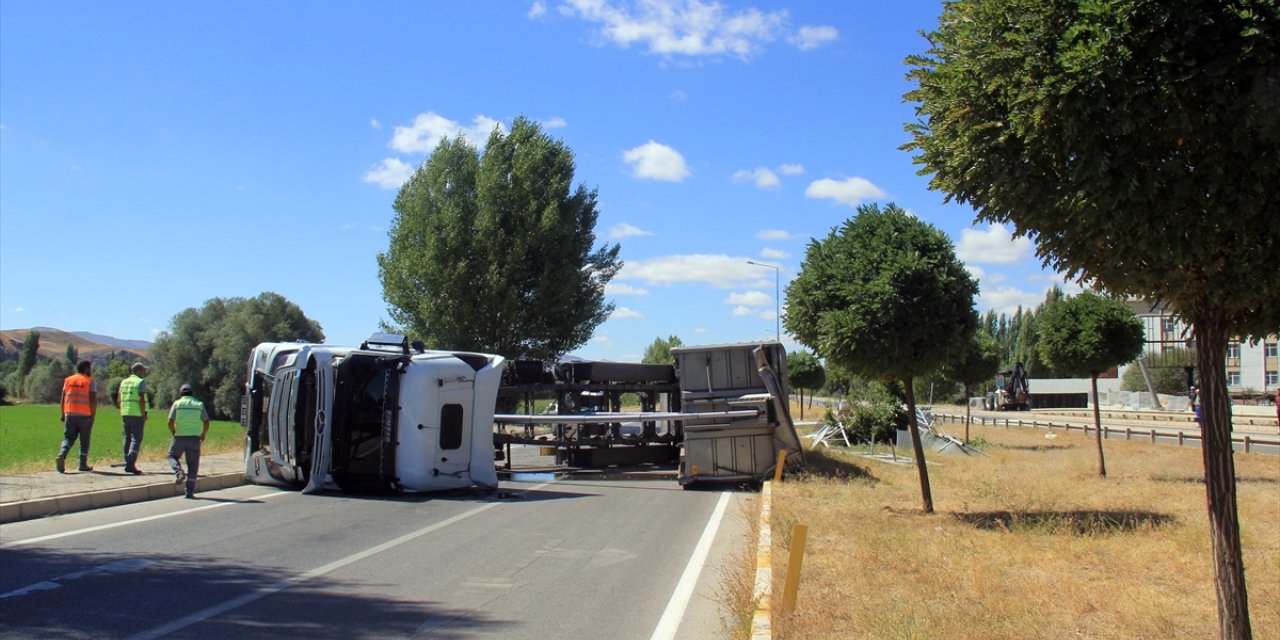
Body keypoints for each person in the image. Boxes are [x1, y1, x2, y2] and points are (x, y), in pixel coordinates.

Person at [167, 384, 209, 499]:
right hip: (194, 438)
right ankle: (189, 492)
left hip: (179, 436)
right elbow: (206, 422)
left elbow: (170, 421)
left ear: (181, 393)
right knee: (193, 465)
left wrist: (174, 432)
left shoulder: (177, 404)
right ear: (192, 393)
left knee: (172, 456)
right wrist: (203, 433)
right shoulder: (199, 404)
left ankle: (179, 472)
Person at [57, 360, 98, 473]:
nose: (91, 371)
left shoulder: (68, 380)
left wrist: (62, 413)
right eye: (90, 368)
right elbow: (93, 400)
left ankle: (62, 454)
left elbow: (63, 398)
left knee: (68, 438)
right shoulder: (90, 381)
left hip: (69, 413)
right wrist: (93, 415)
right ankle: (82, 464)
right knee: (84, 440)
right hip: (85, 415)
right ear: (86, 369)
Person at [117, 362, 149, 475]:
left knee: (127, 438)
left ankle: (127, 461)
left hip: (125, 412)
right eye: (144, 370)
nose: (145, 372)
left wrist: (122, 409)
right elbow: (141, 400)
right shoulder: (140, 382)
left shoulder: (124, 382)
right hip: (136, 413)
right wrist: (143, 414)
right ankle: (130, 464)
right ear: (138, 371)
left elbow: (119, 399)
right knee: (136, 439)